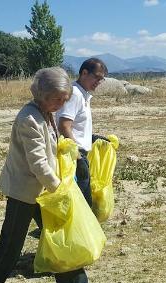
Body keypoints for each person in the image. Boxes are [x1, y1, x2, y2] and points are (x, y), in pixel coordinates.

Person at [0, 67, 99, 283]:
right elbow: (37, 162)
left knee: (62, 239)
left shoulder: (46, 113)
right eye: (56, 98)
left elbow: (52, 148)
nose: (60, 104)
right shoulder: (29, 118)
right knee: (10, 246)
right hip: (24, 193)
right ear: (40, 94)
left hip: (45, 191)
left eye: (64, 99)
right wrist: (59, 188)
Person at [57, 58, 109, 208]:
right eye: (97, 77)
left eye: (101, 79)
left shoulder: (83, 94)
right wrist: (78, 157)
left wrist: (93, 138)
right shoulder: (75, 94)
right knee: (81, 203)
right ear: (84, 73)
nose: (98, 82)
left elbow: (76, 126)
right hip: (74, 155)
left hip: (79, 152)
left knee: (81, 201)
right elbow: (64, 125)